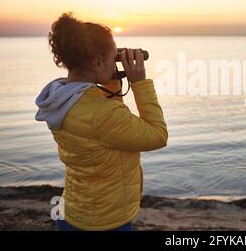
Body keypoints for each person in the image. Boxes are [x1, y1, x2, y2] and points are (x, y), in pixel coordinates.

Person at [35, 12, 168, 231]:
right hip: (105, 222)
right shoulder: (102, 114)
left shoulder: (62, 99)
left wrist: (112, 80)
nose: (115, 61)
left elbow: (109, 130)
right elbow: (158, 135)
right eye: (113, 57)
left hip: (72, 211)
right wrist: (140, 84)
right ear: (96, 62)